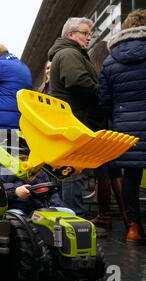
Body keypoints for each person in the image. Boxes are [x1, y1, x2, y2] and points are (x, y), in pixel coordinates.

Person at [98, 9, 146, 243]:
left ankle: (133, 228)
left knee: (131, 178)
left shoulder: (110, 60)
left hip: (125, 126)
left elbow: (104, 101)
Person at [48, 17, 98, 217]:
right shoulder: (69, 53)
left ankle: (67, 215)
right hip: (74, 122)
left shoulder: (70, 52)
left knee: (69, 171)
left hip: (73, 121)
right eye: (85, 33)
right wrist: (103, 92)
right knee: (73, 172)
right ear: (70, 35)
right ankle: (73, 217)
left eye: (89, 34)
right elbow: (78, 82)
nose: (89, 37)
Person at [88, 40, 127, 235]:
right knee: (115, 172)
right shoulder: (116, 66)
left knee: (102, 170)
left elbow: (100, 100)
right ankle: (127, 218)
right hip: (116, 123)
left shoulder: (97, 72)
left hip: (101, 126)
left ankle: (104, 217)